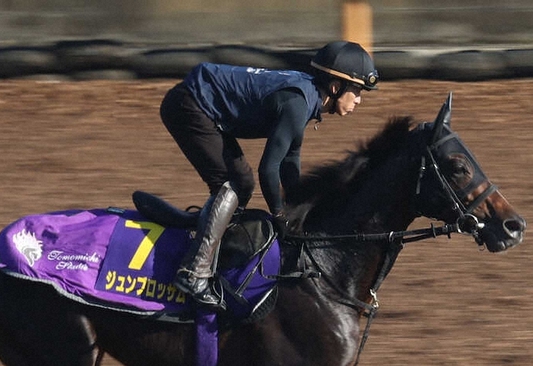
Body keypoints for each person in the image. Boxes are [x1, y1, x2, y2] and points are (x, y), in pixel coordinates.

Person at [160, 40, 379, 309]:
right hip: (188, 105)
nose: (359, 99)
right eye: (356, 90)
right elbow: (269, 168)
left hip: (202, 106)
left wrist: (297, 209)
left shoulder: (306, 97)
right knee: (229, 186)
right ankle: (194, 273)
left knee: (242, 182)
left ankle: (214, 252)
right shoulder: (298, 102)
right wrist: (279, 216)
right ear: (335, 87)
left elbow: (290, 162)